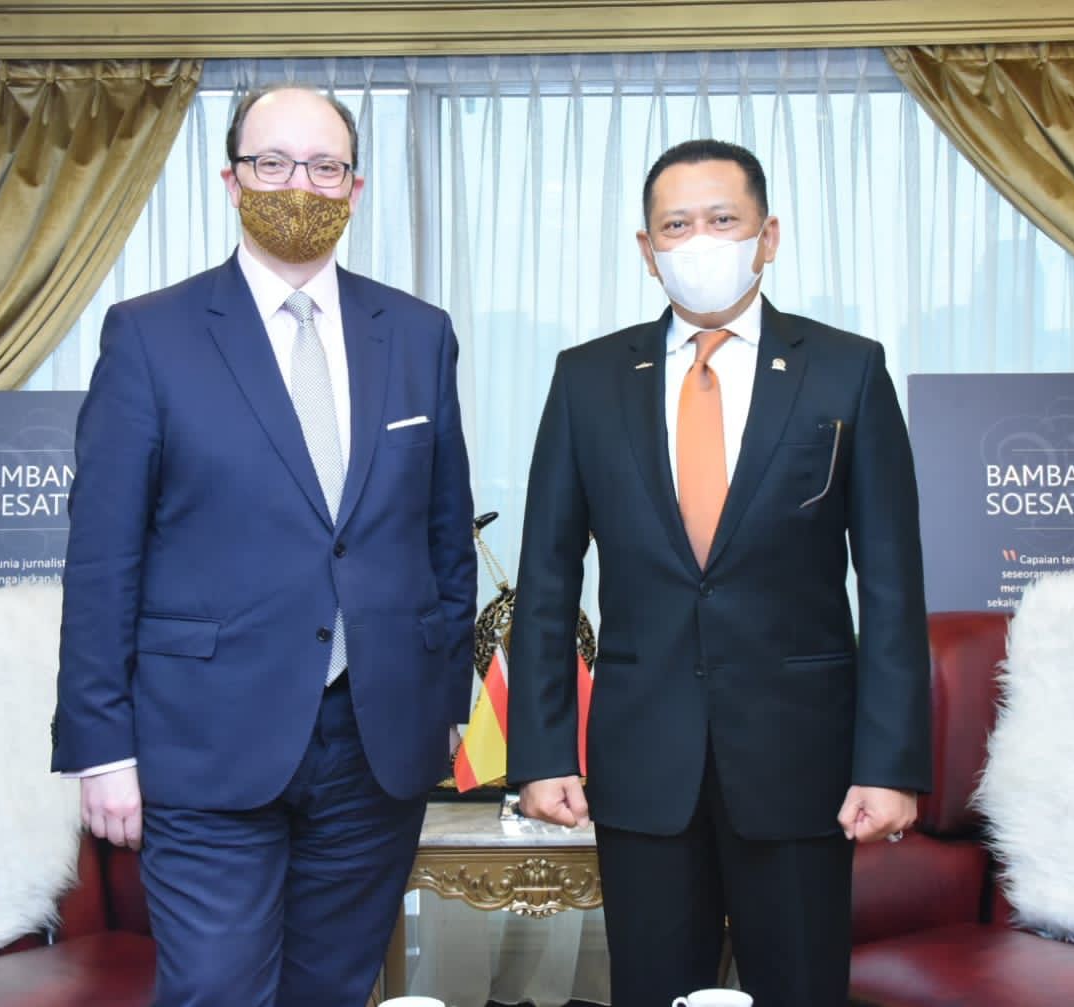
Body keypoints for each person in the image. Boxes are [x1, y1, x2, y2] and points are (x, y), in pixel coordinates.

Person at [50, 85, 476, 1007]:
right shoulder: (150, 335)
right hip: (203, 739)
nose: (298, 185)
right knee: (217, 989)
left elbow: (444, 537)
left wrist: (447, 700)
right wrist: (101, 748)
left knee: (331, 989)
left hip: (376, 741)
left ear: (354, 187)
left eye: (323, 167)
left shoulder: (417, 334)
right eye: (273, 163)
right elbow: (102, 561)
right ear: (231, 179)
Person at [506, 139, 932, 1005]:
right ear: (646, 248)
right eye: (675, 225)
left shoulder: (846, 370)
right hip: (641, 762)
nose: (698, 240)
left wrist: (889, 763)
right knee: (653, 990)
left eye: (721, 219)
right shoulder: (587, 378)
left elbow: (891, 585)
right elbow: (546, 579)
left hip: (800, 761)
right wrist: (541, 753)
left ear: (767, 235)